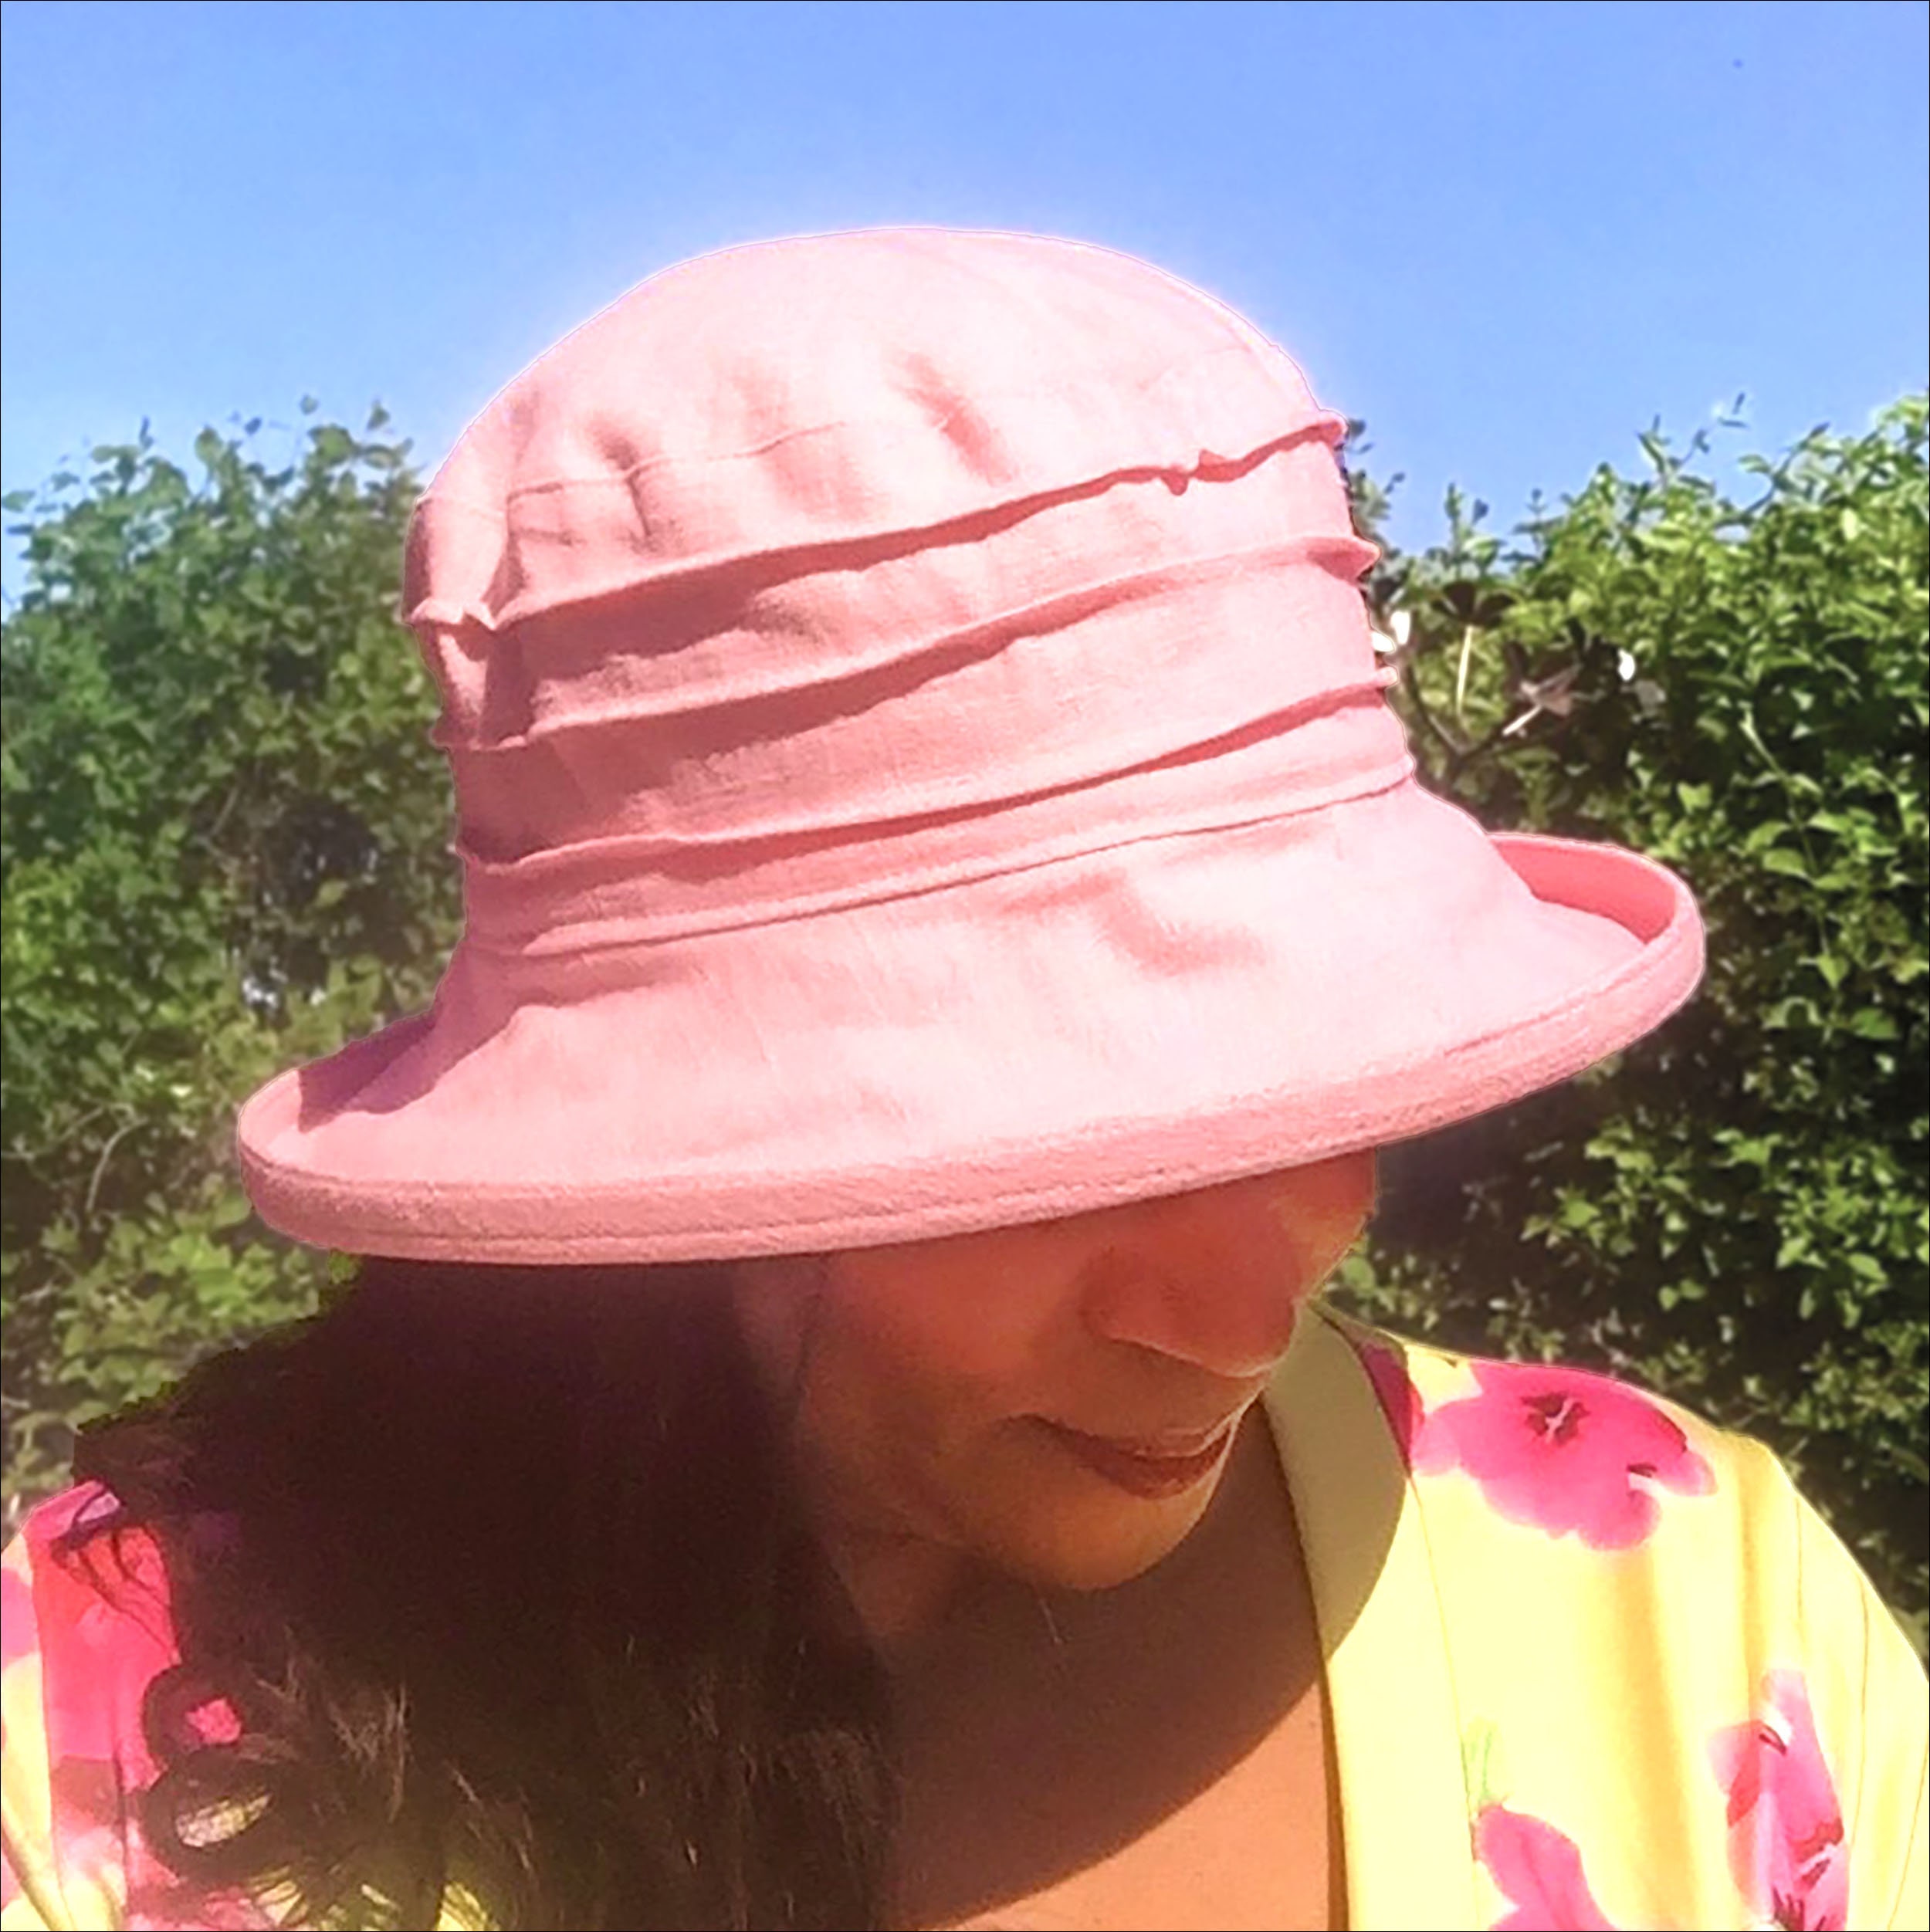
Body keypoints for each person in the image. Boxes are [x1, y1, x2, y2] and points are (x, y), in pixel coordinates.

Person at [1, 228, 1923, 1932]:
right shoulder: (100, 1737)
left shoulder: (1702, 1624)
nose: (1245, 1315)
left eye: (1316, 1085)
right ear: (655, 1158)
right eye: (1053, 1154)